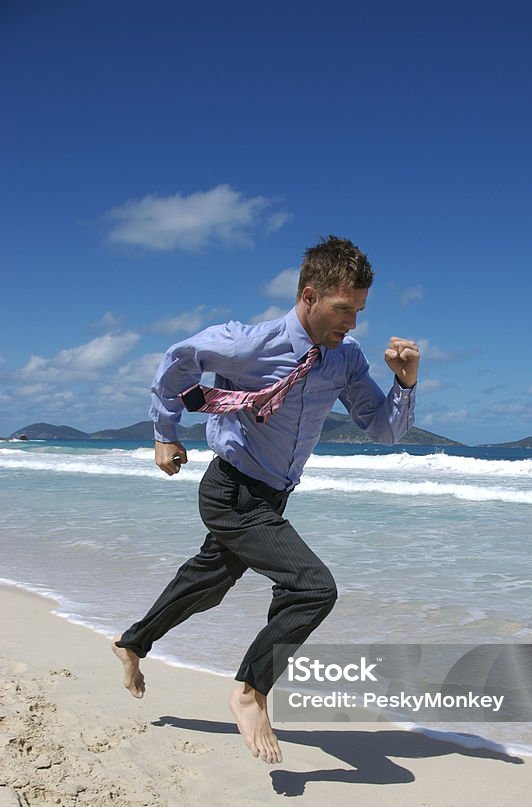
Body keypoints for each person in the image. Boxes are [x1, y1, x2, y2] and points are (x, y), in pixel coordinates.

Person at [113, 235, 420, 764]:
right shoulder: (246, 344)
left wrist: (405, 384)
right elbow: (176, 361)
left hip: (273, 496)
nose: (352, 323)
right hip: (231, 490)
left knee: (208, 580)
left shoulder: (344, 359)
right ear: (309, 295)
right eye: (343, 308)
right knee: (313, 587)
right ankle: (251, 691)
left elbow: (385, 430)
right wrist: (165, 434)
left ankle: (132, 644)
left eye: (359, 312)